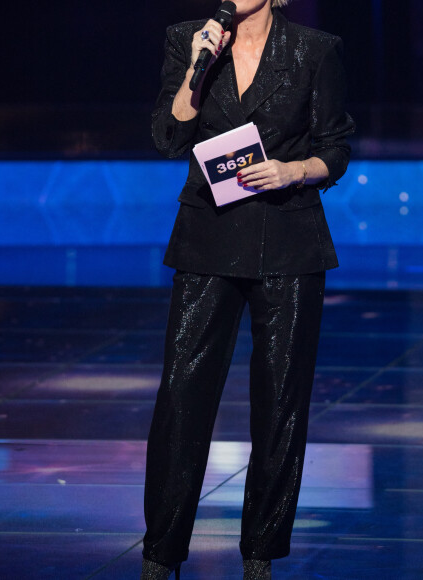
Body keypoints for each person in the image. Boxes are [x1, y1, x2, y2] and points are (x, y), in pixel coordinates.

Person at [142, 0, 355, 578]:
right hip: (207, 238)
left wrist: (295, 170)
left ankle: (260, 551)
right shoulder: (191, 39)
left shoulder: (314, 50)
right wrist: (195, 66)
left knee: (280, 401)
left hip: (288, 239)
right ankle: (161, 551)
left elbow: (336, 147)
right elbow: (168, 135)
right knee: (182, 397)